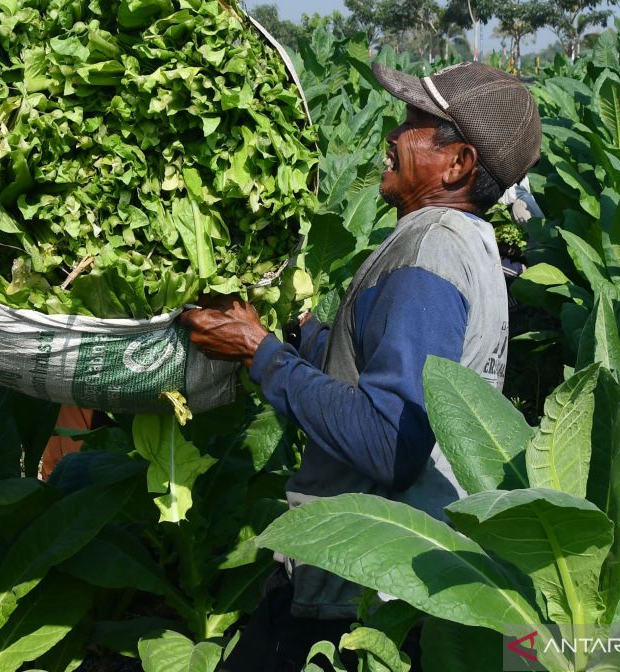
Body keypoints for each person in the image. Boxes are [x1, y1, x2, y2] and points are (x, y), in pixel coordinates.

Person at [179, 61, 542, 671]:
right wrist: (301, 336)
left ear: (458, 165)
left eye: (417, 126)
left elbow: (388, 442)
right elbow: (391, 375)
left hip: (364, 595)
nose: (395, 135)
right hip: (395, 573)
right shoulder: (468, 242)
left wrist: (259, 354)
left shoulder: (430, 251)